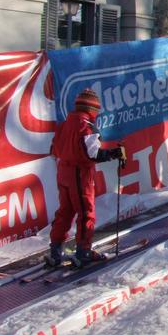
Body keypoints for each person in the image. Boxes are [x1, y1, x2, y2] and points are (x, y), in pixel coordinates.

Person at [47, 88, 126, 267]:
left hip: (63, 171)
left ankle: (55, 249)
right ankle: (83, 251)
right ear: (93, 109)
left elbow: (53, 150)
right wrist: (113, 153)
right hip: (80, 173)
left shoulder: (65, 124)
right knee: (86, 212)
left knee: (65, 211)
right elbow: (93, 154)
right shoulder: (87, 126)